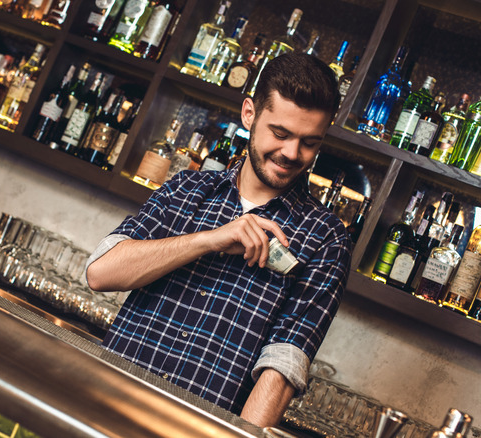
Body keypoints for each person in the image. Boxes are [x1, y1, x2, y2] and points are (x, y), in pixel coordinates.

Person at [86, 53, 351, 427]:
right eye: (280, 134)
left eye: (310, 142)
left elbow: (283, 365)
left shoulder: (325, 238)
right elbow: (101, 273)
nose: (292, 153)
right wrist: (208, 240)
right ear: (249, 114)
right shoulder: (186, 188)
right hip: (99, 403)